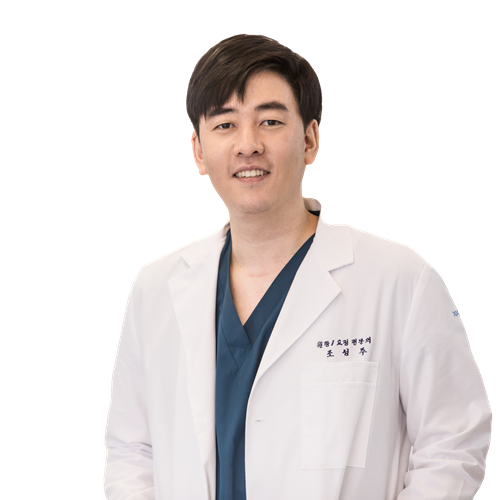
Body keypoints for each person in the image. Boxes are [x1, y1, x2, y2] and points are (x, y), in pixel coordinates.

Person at [104, 34, 491, 499]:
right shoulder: (155, 288)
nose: (248, 145)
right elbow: (131, 451)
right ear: (198, 151)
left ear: (309, 140)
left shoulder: (399, 279)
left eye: (270, 121)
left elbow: (453, 443)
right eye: (225, 125)